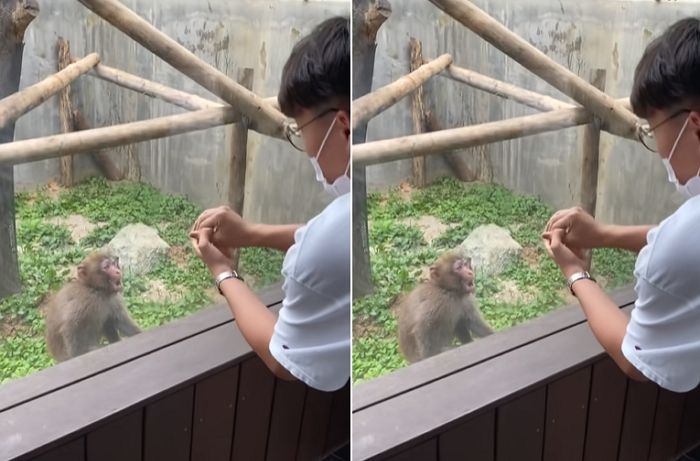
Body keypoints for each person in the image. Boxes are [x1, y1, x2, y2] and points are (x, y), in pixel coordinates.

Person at [189, 16, 350, 394]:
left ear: (342, 126)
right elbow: (323, 240)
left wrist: (223, 271)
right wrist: (250, 234)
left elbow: (283, 358)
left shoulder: (334, 236)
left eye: (300, 128)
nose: (305, 146)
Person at [542, 17, 700, 394]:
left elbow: (635, 358)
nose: (658, 148)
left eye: (652, 129)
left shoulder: (681, 244)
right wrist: (602, 234)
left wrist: (575, 272)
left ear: (694, 125)